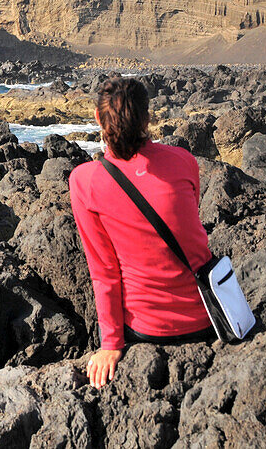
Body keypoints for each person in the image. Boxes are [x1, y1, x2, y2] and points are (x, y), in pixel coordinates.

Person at [69, 76, 214, 389]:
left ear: (97, 118)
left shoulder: (85, 182)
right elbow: (188, 231)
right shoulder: (184, 161)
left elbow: (104, 270)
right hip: (208, 319)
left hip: (147, 330)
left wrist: (111, 346)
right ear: (148, 118)